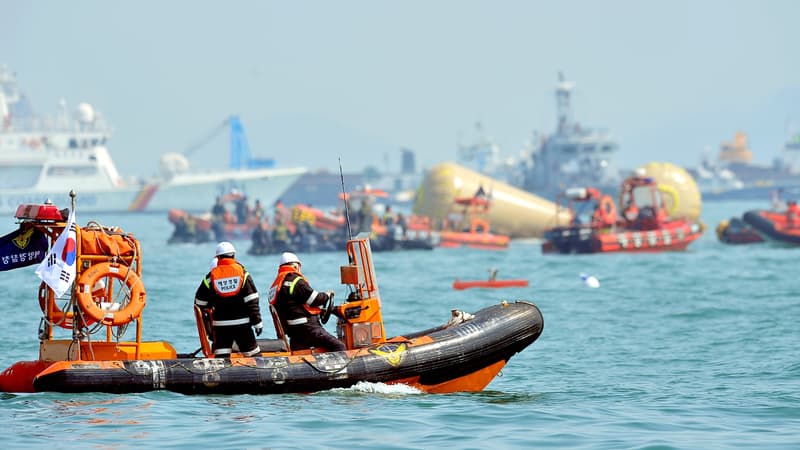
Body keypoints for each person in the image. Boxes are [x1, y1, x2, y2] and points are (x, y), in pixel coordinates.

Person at [194, 242, 263, 358]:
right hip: (243, 325)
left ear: (218, 257)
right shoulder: (243, 274)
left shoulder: (210, 278)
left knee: (221, 359)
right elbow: (252, 301)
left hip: (221, 327)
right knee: (254, 358)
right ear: (234, 256)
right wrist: (257, 322)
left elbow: (199, 303)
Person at [268, 252, 346, 352]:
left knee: (300, 356)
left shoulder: (276, 286)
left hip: (294, 333)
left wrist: (323, 311)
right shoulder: (296, 281)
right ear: (295, 266)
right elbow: (315, 300)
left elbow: (294, 306)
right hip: (309, 329)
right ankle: (342, 367)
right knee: (339, 347)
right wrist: (326, 295)